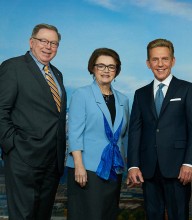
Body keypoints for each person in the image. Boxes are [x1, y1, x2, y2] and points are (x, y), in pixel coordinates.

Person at [126, 38, 192, 220]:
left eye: (165, 59)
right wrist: (133, 165)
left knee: (179, 215)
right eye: (155, 59)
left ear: (173, 61)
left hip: (178, 168)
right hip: (148, 170)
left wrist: (190, 163)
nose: (160, 64)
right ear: (148, 63)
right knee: (152, 215)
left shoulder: (187, 89)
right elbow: (135, 131)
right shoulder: (140, 94)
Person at [0, 24, 66, 219]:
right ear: (31, 42)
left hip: (52, 161)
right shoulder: (13, 67)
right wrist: (12, 146)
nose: (48, 46)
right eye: (43, 41)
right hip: (23, 158)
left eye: (53, 43)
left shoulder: (57, 74)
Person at [66, 48, 129, 220]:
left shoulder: (123, 99)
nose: (106, 70)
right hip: (87, 168)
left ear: (117, 70)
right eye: (101, 66)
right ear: (92, 68)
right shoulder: (82, 94)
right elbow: (74, 132)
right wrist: (79, 165)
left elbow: (124, 135)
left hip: (114, 169)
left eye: (111, 66)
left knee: (108, 214)